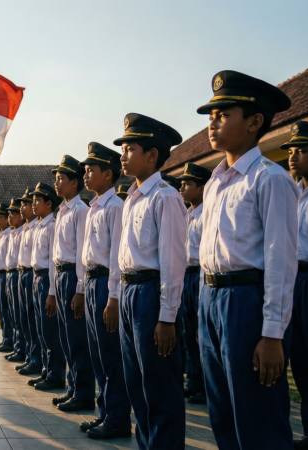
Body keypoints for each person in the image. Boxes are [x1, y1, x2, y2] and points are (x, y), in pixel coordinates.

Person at [197, 70, 297, 450]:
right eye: (210, 116)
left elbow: (281, 260)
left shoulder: (269, 179)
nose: (213, 122)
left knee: (257, 415)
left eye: (223, 114)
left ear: (255, 122)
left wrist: (272, 333)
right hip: (212, 298)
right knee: (222, 409)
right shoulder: (216, 182)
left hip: (247, 301)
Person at [115, 113, 187, 449]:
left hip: (150, 294)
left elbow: (173, 262)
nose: (123, 155)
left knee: (160, 385)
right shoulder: (132, 197)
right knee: (137, 384)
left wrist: (167, 317)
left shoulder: (165, 197)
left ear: (152, 155)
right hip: (131, 292)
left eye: (130, 148)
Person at [79, 142, 131, 439]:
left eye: (91, 171)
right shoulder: (95, 207)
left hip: (106, 286)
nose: (86, 175)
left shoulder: (115, 208)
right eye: (85, 171)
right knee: (98, 355)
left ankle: (118, 418)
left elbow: (115, 257)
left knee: (111, 357)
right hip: (91, 283)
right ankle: (105, 413)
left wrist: (112, 297)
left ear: (108, 175)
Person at [50, 155, 94, 412]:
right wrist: (53, 290)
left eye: (61, 179)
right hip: (60, 275)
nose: (57, 183)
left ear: (74, 183)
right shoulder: (62, 211)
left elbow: (81, 254)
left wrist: (79, 289)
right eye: (56, 179)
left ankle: (84, 393)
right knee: (66, 338)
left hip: (73, 277)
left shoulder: (81, 211)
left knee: (78, 339)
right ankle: (73, 389)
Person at [286, 121, 308, 450]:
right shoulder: (293, 194)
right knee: (301, 360)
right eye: (291, 151)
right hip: (294, 279)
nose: (294, 157)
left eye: (303, 150)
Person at [176, 162, 212, 406]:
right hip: (185, 274)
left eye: (187, 184)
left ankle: (205, 386)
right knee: (188, 332)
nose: (182, 188)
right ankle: (194, 381)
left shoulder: (206, 214)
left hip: (199, 273)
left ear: (201, 189)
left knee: (201, 334)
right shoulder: (186, 215)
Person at [28, 182, 66, 391]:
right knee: (41, 329)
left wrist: (52, 291)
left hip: (46, 279)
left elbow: (53, 260)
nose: (34, 205)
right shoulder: (39, 226)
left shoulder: (52, 226)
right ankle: (46, 370)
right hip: (36, 278)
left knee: (50, 330)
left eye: (37, 201)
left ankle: (55, 374)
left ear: (49, 203)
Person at [15, 189, 41, 376]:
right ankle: (29, 357)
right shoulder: (26, 229)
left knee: (36, 322)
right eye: (24, 204)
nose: (26, 207)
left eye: (28, 203)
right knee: (24, 319)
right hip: (22, 274)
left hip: (35, 274)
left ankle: (37, 361)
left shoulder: (40, 227)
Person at [4, 198, 26, 363]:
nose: (9, 217)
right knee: (13, 313)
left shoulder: (22, 232)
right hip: (10, 274)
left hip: (20, 273)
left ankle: (22, 349)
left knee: (21, 315)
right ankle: (18, 346)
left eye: (13, 214)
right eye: (9, 214)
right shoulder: (12, 233)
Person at [0, 203, 14, 353]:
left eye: (0, 217)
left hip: (5, 274)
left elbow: (8, 259)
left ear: (7, 219)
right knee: (1, 309)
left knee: (7, 309)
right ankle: (5, 337)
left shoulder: (8, 235)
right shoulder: (0, 235)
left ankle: (10, 340)